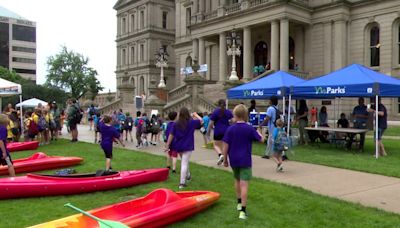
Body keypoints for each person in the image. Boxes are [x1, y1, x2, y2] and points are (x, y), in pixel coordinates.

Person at [222, 104, 263, 220]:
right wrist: (259, 131)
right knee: (244, 184)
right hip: (245, 159)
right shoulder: (249, 128)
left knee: (237, 179)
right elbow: (261, 139)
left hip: (233, 158)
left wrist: (225, 159)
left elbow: (225, 145)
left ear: (235, 115)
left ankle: (239, 203)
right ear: (246, 115)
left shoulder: (230, 129)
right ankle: (243, 211)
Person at [165, 107, 203, 189]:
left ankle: (188, 175)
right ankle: (182, 183)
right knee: (184, 163)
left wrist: (167, 144)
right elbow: (202, 121)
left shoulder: (176, 123)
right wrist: (196, 115)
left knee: (184, 161)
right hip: (188, 145)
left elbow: (171, 135)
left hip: (178, 145)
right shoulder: (191, 122)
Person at [207, 99, 233, 165]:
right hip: (227, 130)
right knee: (224, 146)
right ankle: (224, 159)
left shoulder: (215, 112)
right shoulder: (228, 112)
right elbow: (233, 121)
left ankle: (220, 155)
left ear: (218, 105)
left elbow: (211, 123)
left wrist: (208, 132)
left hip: (218, 131)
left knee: (215, 145)